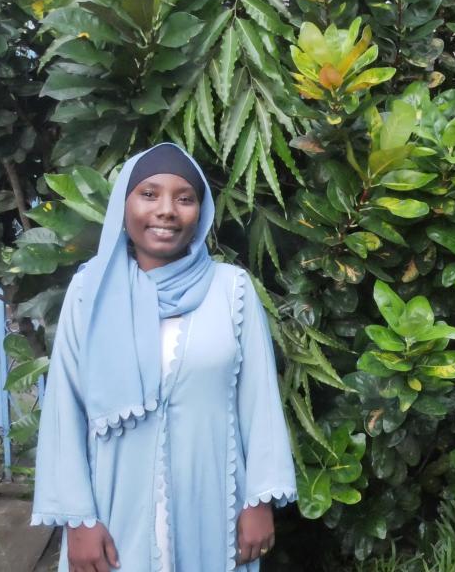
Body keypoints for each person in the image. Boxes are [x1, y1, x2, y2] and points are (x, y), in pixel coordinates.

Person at [30, 143, 297, 572]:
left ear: (201, 212)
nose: (167, 210)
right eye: (149, 194)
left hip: (214, 504)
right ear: (124, 204)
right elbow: (65, 410)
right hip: (114, 510)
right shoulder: (90, 293)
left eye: (184, 198)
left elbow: (260, 403)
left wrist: (258, 502)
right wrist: (77, 521)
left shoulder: (231, 290)